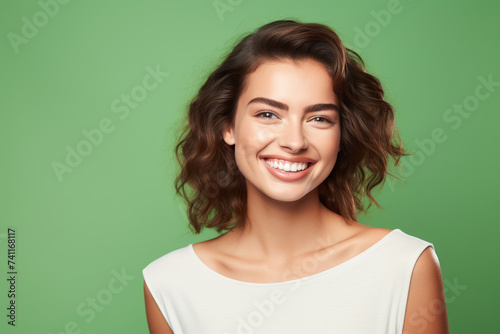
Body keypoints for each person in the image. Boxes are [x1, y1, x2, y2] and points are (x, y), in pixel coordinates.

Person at [142, 19, 449, 334]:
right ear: (228, 126)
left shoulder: (404, 265)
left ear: (341, 134)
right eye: (268, 114)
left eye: (319, 118)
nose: (294, 141)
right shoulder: (169, 284)